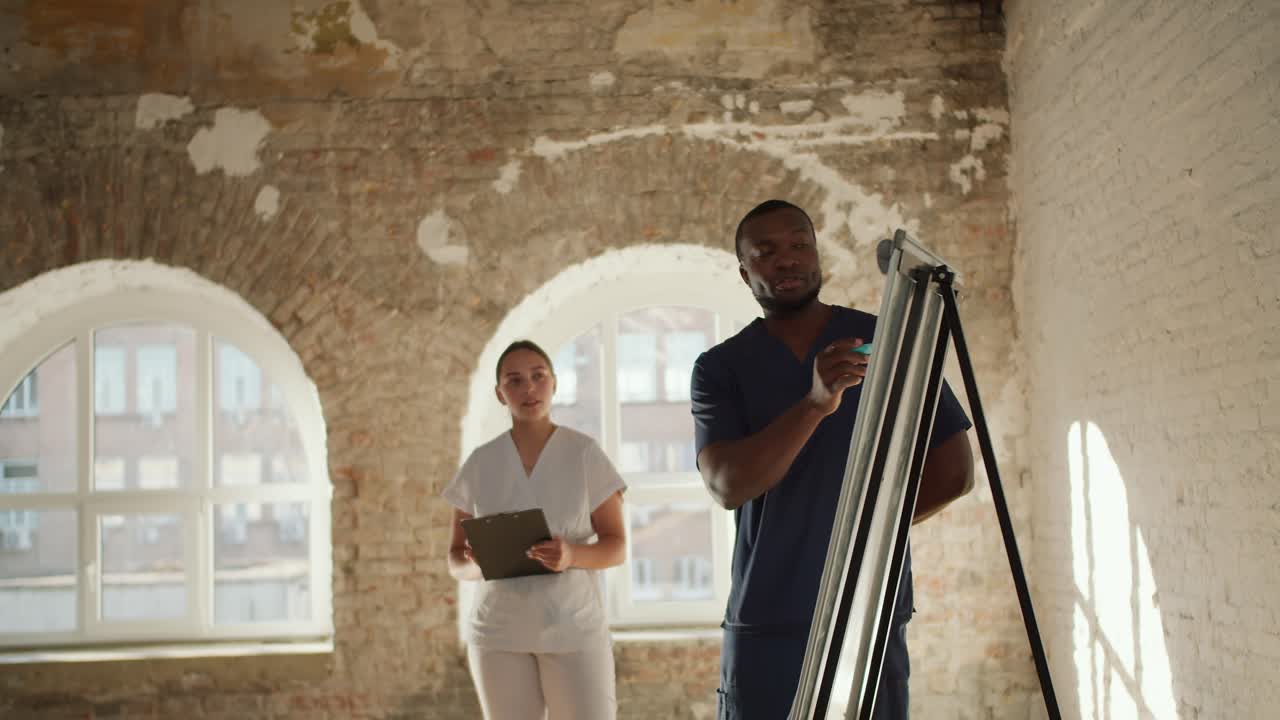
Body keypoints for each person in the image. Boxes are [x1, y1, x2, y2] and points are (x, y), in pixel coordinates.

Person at [692, 200, 976, 719]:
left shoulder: (884, 339)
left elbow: (955, 469)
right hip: (768, 619)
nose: (788, 259)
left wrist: (864, 534)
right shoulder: (721, 368)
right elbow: (728, 485)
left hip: (867, 611)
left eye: (800, 244)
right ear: (744, 271)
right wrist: (815, 404)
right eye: (767, 251)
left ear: (817, 253)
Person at [443, 339, 627, 720]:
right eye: (514, 380)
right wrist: (478, 565)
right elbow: (455, 559)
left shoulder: (584, 454)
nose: (528, 388)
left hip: (572, 627)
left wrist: (572, 555)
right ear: (500, 393)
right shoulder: (481, 463)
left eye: (538, 376)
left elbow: (617, 546)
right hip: (499, 632)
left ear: (555, 383)